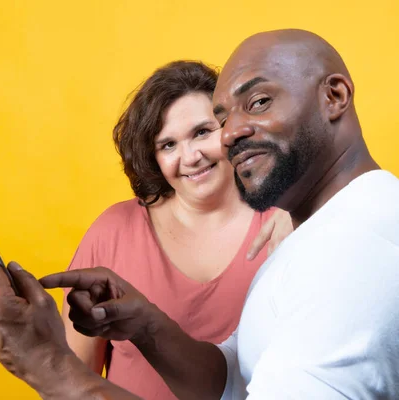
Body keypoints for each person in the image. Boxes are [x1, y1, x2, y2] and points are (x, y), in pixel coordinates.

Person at [0, 29, 399, 399]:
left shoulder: (362, 257)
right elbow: (238, 377)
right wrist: (147, 326)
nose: (232, 132)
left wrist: (46, 365)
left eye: (258, 102)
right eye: (223, 117)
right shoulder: (331, 233)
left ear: (334, 96)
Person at [63, 61, 292, 399]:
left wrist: (307, 213)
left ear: (230, 129)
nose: (191, 156)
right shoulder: (114, 231)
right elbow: (70, 379)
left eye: (202, 132)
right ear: (152, 157)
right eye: (168, 145)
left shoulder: (284, 224)